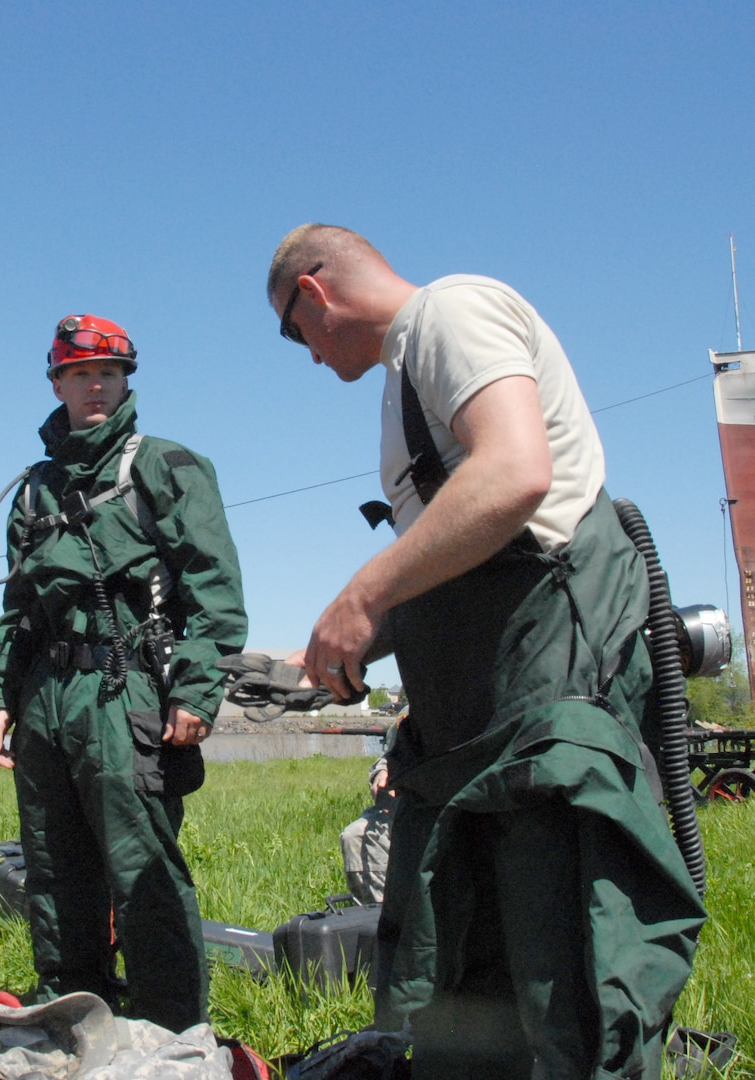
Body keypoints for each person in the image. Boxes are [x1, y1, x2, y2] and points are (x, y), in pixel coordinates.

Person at [267, 226, 706, 1079]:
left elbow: (512, 474)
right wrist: (313, 654)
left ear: (314, 295)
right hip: (475, 743)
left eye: (295, 334)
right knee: (468, 985)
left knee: (565, 979)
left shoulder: (448, 312)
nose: (309, 359)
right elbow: (448, 563)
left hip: (542, 719)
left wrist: (360, 595)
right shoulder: (404, 382)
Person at [0, 315, 247, 1033]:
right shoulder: (34, 488)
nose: (93, 385)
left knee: (142, 874)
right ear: (56, 383)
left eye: (107, 372)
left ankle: (170, 1038)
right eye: (78, 373)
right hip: (45, 697)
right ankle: (72, 1027)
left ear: (126, 379)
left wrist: (194, 688)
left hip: (123, 689)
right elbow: (18, 603)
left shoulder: (164, 465)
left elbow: (214, 588)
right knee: (54, 872)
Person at [339, 724, 398, 906]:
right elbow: (388, 756)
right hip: (400, 806)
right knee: (354, 835)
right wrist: (381, 773)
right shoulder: (407, 716)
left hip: (452, 806)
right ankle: (373, 912)